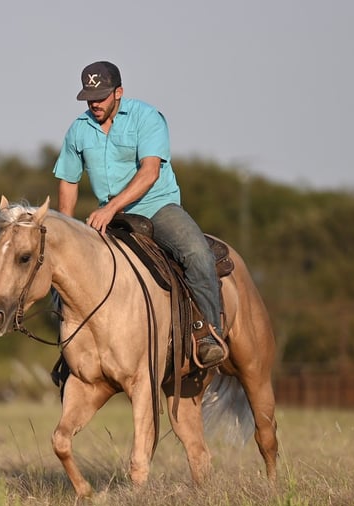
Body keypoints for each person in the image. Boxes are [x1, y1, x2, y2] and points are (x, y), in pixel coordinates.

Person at [53, 60, 226, 364]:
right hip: (110, 214)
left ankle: (207, 333)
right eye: (89, 98)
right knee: (64, 269)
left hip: (156, 207)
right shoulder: (79, 130)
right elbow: (68, 181)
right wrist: (65, 229)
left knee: (197, 252)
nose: (94, 104)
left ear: (119, 92)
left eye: (102, 96)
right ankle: (71, 350)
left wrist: (110, 209)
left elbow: (149, 173)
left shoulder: (146, 118)